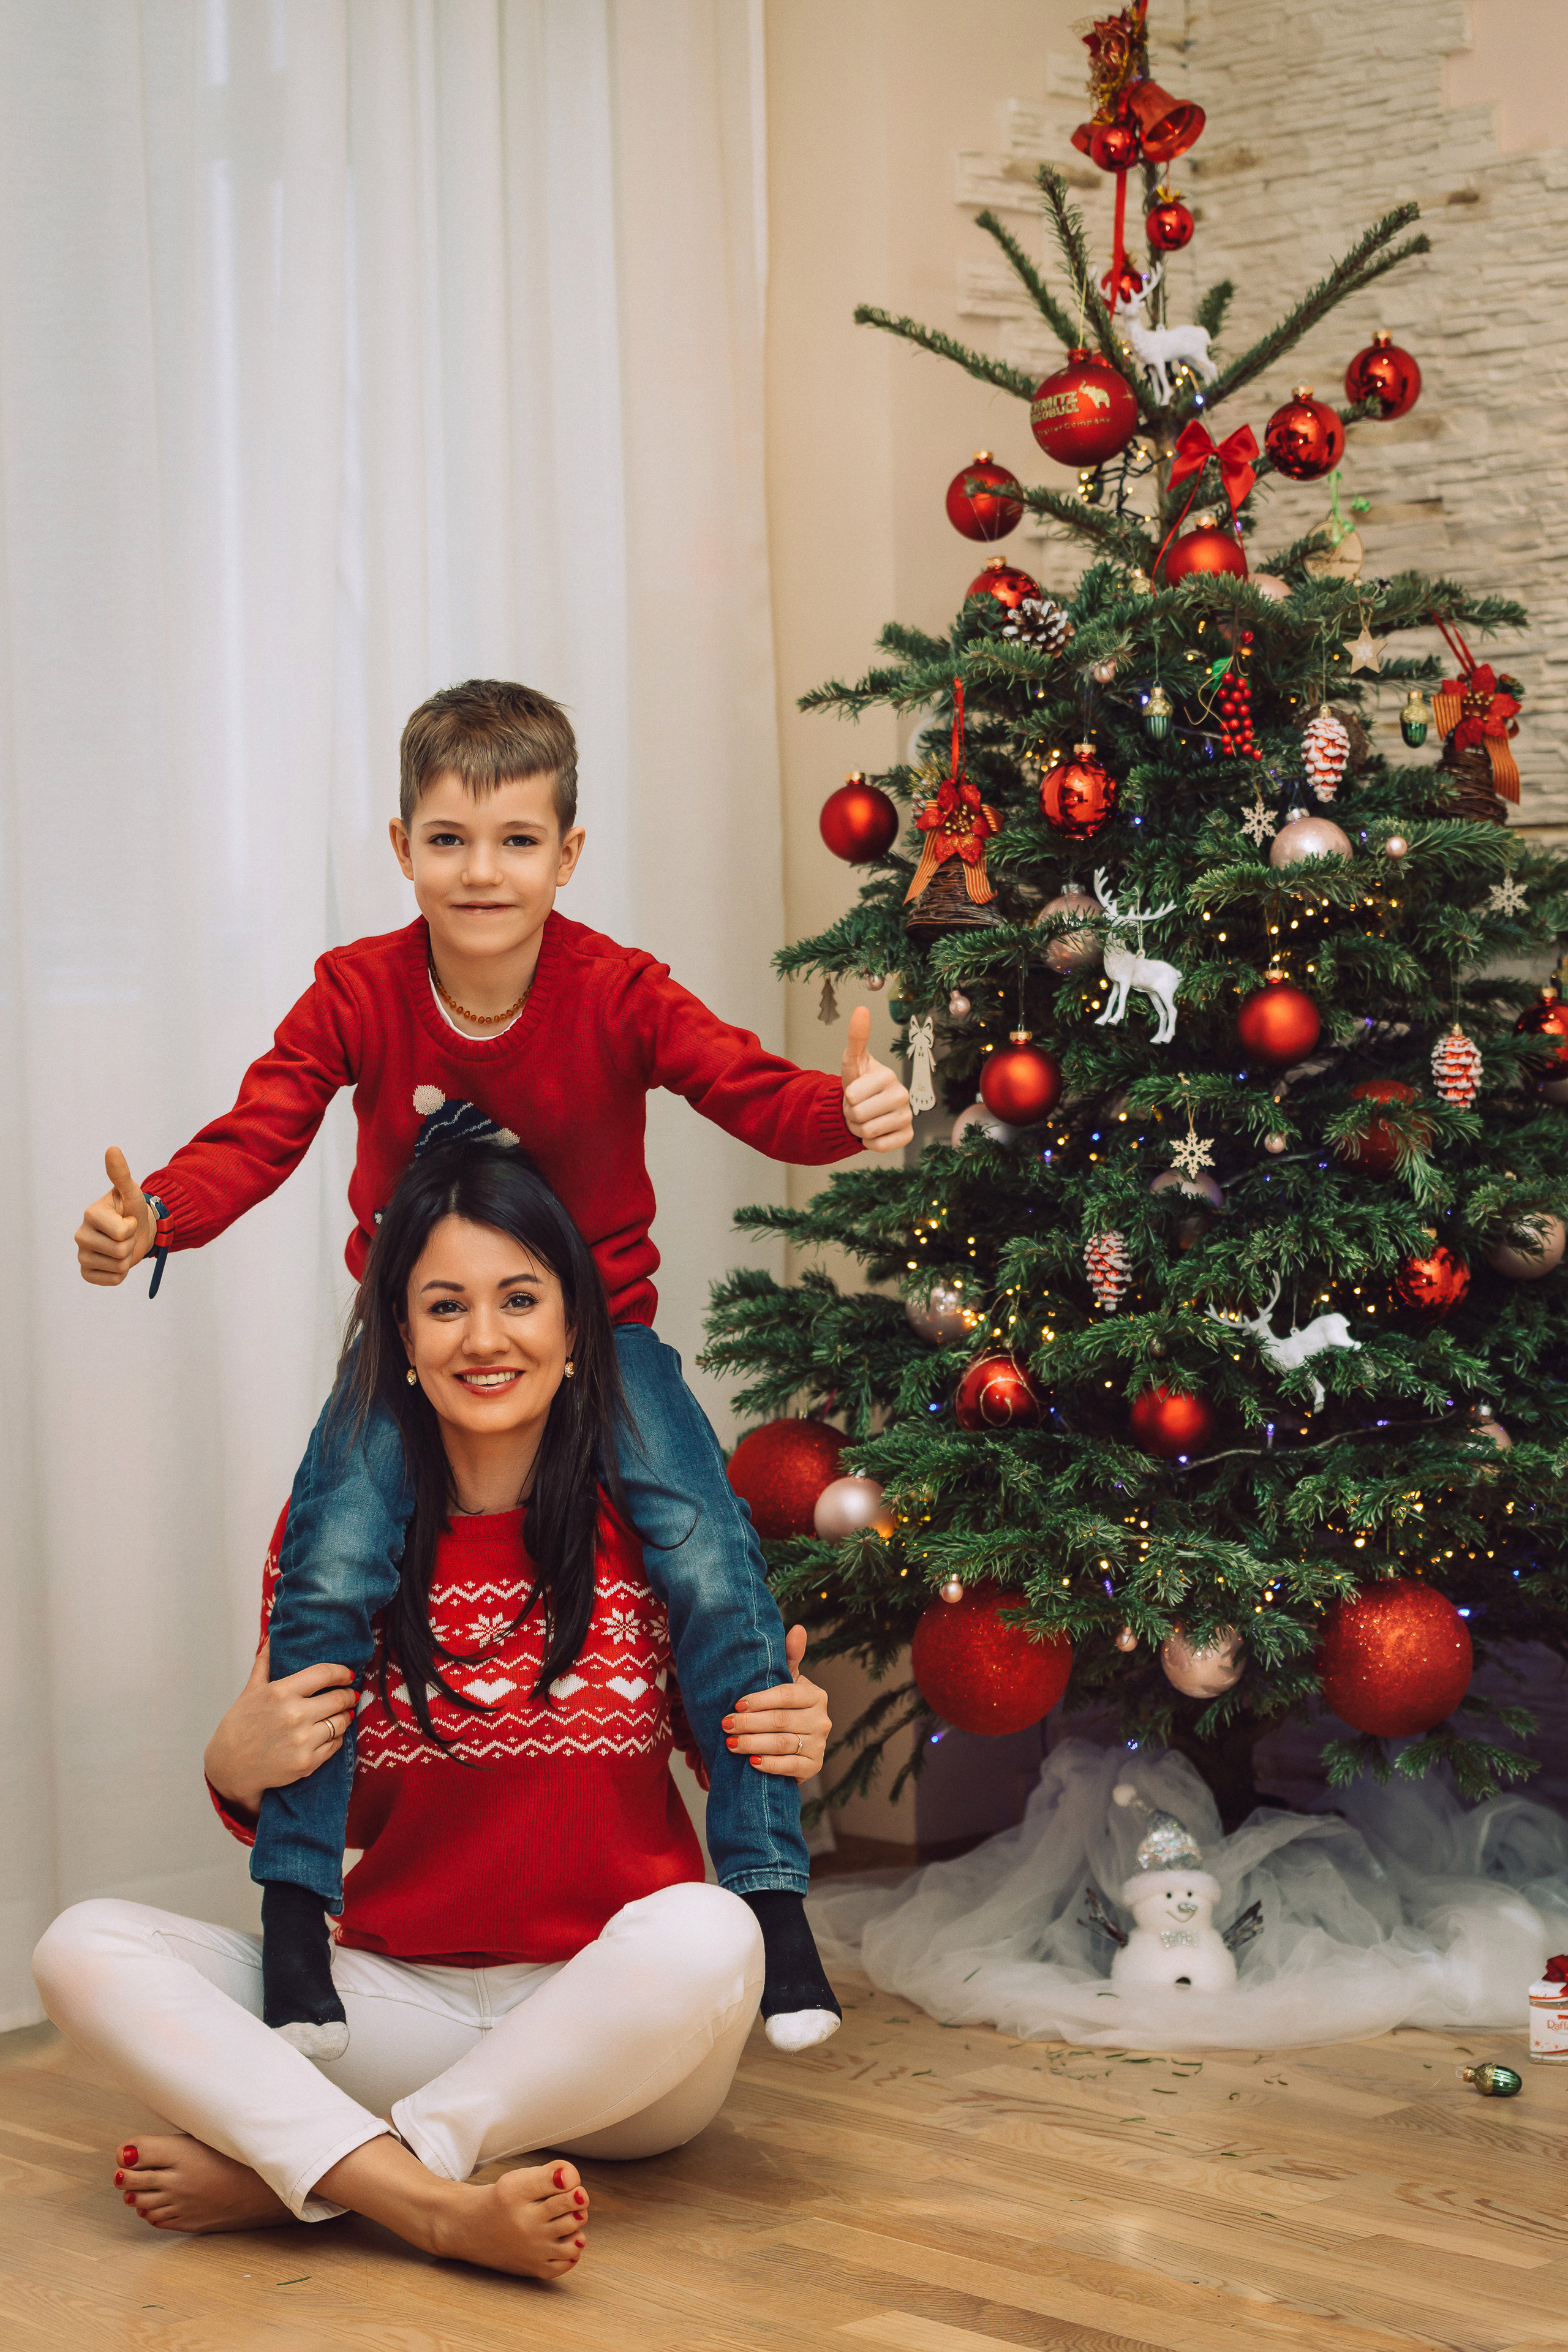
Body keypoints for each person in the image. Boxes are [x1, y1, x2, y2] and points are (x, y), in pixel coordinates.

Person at [72, 678, 910, 2054]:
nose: (482, 871)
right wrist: (157, 1217)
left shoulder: (615, 989)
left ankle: (766, 1900)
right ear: (401, 846)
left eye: (517, 840)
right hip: (409, 1358)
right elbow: (260, 1129)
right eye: (450, 840)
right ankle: (295, 1913)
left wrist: (842, 1110)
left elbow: (742, 1085)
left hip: (604, 1344)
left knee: (712, 1566)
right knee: (331, 1567)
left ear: (568, 855)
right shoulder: (356, 989)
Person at [36, 1136, 832, 2278]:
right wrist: (233, 1765)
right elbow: (336, 1817)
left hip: (618, 2029)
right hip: (391, 2004)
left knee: (712, 1928)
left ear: (572, 1329)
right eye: (445, 1305)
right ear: (401, 1340)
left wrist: (780, 1735)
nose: (486, 1337)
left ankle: (338, 2176)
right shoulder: (334, 1540)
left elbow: (725, 1754)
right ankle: (424, 2190)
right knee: (84, 1947)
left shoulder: (650, 1527)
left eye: (520, 1299)